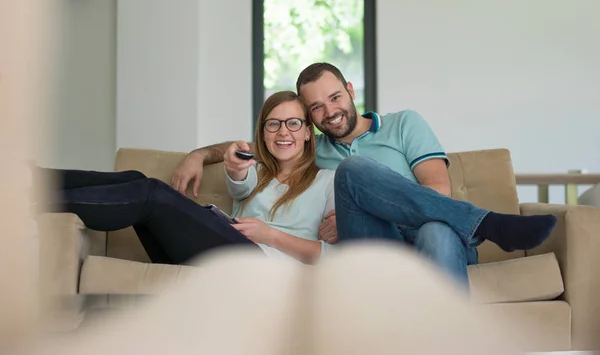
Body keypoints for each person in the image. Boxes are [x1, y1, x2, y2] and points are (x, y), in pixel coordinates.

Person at [171, 62, 557, 286]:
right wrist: (198, 155)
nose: (330, 112)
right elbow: (257, 144)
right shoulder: (309, 148)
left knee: (436, 227)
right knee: (350, 172)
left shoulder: (404, 124)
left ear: (351, 91)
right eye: (316, 108)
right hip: (372, 246)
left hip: (427, 231)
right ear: (309, 121)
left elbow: (438, 192)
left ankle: (474, 239)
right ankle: (488, 224)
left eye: (335, 97)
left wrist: (371, 208)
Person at [37, 91, 334, 265]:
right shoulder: (257, 171)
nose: (284, 132)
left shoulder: (329, 181)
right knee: (135, 178)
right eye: (274, 124)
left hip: (261, 262)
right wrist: (235, 167)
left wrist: (270, 235)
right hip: (220, 249)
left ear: (309, 132)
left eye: (294, 123)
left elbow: (330, 257)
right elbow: (239, 182)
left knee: (152, 193)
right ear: (263, 133)